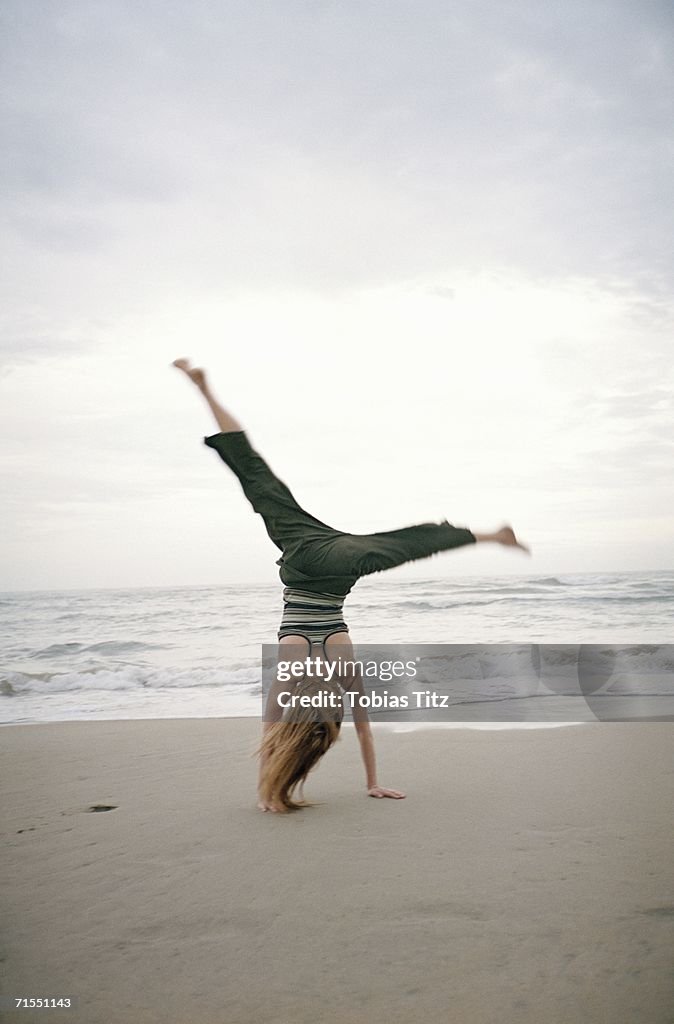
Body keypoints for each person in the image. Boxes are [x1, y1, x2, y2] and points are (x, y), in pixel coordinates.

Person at [173, 358, 530, 813]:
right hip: (312, 553)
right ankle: (493, 536)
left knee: (397, 544)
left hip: (332, 559)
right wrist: (366, 784)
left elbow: (359, 725)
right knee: (258, 479)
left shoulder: (331, 666)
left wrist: (369, 782)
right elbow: (277, 732)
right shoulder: (293, 671)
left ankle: (492, 536)